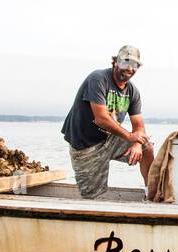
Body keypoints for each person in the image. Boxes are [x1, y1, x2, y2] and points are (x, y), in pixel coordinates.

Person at [61, 45, 154, 199]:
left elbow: (139, 126)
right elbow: (101, 119)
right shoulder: (98, 79)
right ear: (115, 62)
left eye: (135, 65)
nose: (130, 68)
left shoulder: (132, 92)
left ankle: (150, 193)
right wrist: (131, 137)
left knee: (146, 148)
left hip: (109, 139)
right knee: (91, 196)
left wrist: (137, 143)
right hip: (85, 145)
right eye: (125, 62)